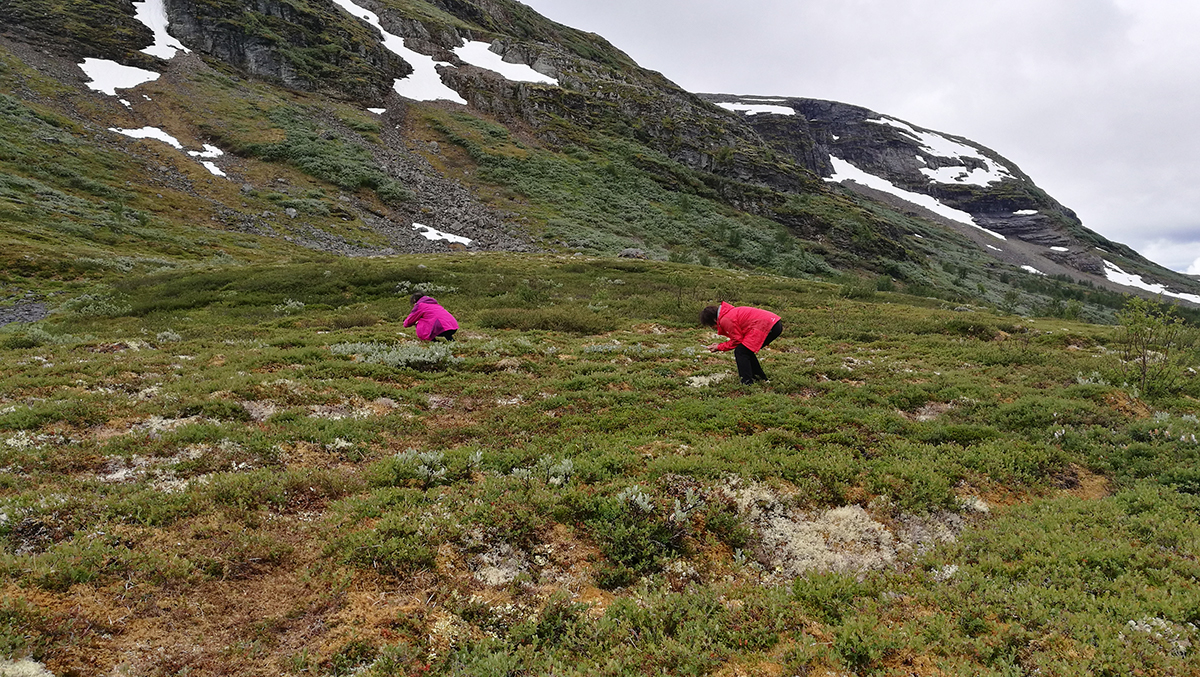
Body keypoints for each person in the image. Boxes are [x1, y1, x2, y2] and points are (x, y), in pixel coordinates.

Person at [700, 303, 783, 385]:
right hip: (774, 323)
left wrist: (719, 347)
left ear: (714, 320)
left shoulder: (725, 319)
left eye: (710, 325)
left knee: (741, 351)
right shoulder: (729, 313)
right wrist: (719, 345)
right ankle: (759, 378)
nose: (712, 328)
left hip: (768, 325)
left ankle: (746, 382)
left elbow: (737, 340)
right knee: (746, 350)